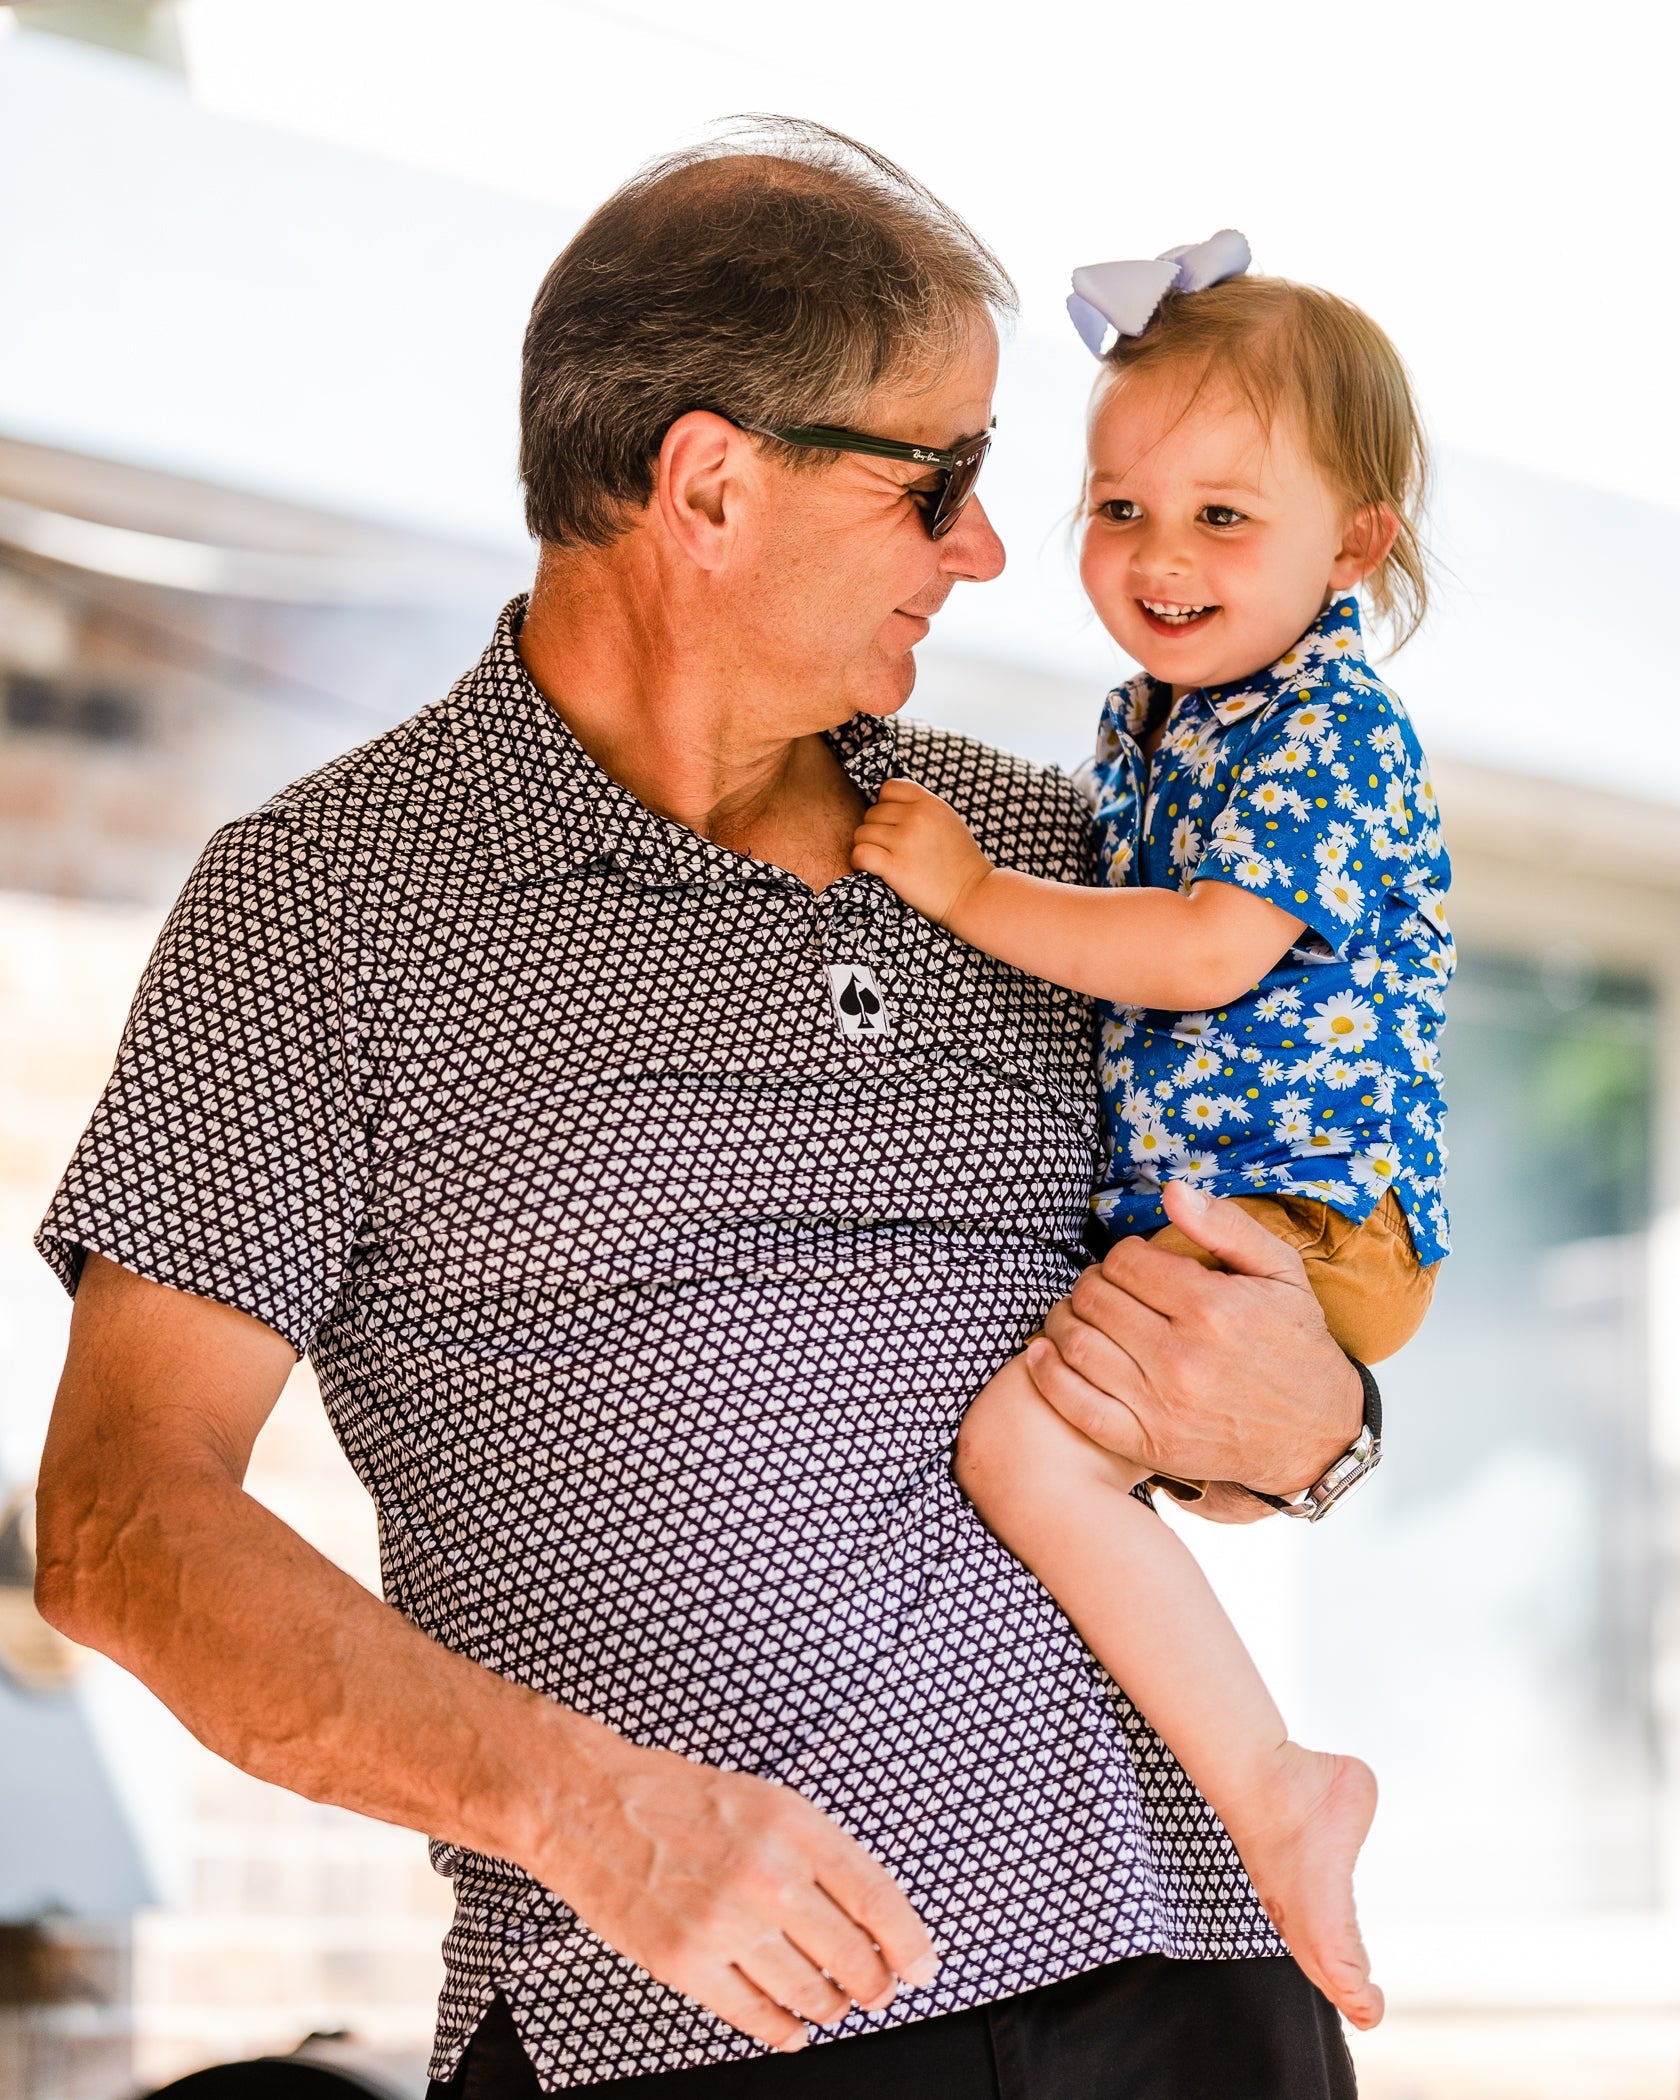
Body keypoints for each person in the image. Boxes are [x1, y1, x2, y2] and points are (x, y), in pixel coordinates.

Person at [32, 128, 1375, 2098]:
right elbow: (121, 1527)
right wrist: (595, 1818)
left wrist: (1316, 1425)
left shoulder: (1053, 862)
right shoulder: (317, 903)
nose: (990, 550)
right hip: (694, 2023)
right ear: (711, 483)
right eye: (944, 480)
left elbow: (1286, 1319)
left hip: (1200, 1975)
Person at [855, 236, 1454, 2032]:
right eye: (1121, 506)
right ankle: (1245, 1778)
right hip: (1240, 1201)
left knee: (1027, 1465)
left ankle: (1273, 1783)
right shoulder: (1159, 724)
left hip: (1302, 1213)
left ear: (1354, 546)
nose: (1159, 558)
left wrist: (972, 894)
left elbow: (1204, 946)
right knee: (1060, 1466)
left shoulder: (1328, 729)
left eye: (1222, 517)